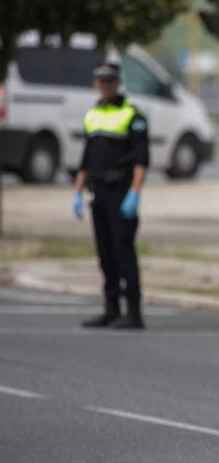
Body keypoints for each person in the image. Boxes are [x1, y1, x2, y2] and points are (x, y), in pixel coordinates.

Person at [73, 61, 148, 330]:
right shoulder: (92, 114)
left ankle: (134, 313)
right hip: (99, 192)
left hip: (121, 191)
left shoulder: (133, 115)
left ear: (117, 83)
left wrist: (135, 193)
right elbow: (87, 156)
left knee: (123, 252)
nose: (105, 85)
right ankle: (111, 309)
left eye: (109, 81)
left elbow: (141, 159)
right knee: (105, 255)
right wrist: (78, 191)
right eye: (101, 81)